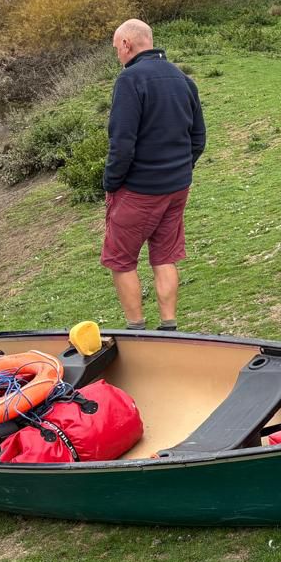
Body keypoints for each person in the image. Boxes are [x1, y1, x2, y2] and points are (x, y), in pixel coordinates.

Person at [103, 18, 206, 330]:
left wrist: (111, 183)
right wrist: (180, 169)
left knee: (121, 260)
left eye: (116, 48)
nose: (117, 55)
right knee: (164, 256)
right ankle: (169, 326)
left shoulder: (129, 80)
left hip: (140, 189)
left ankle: (136, 329)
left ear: (127, 44)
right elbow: (198, 138)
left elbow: (122, 143)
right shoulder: (182, 78)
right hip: (177, 188)